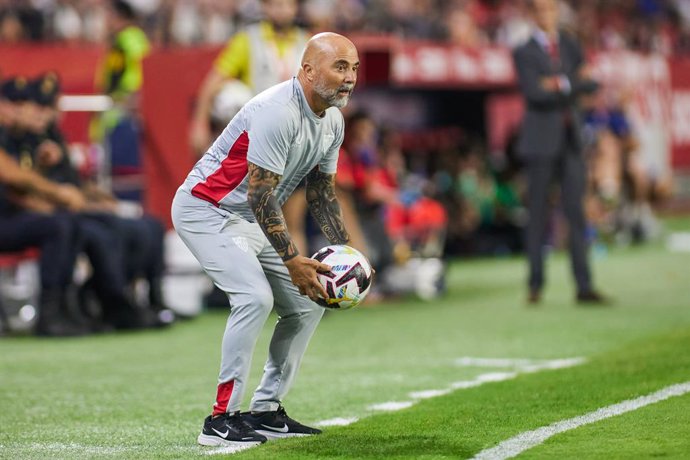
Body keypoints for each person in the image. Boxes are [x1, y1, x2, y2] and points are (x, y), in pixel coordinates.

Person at [172, 32, 359, 447]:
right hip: (208, 210)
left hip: (250, 216)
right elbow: (259, 195)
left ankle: (266, 410)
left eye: (354, 68)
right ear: (308, 71)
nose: (350, 78)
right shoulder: (278, 111)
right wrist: (293, 260)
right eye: (340, 67)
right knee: (254, 297)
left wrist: (348, 258)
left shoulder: (333, 120)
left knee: (309, 304)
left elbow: (321, 193)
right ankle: (220, 420)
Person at [513, 0, 606, 305]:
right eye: (541, 9)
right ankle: (535, 285)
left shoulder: (570, 44)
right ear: (533, 14)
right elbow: (535, 92)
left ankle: (584, 286)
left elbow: (591, 82)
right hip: (540, 143)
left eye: (551, 9)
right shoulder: (524, 51)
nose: (548, 15)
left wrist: (559, 83)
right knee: (538, 215)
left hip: (571, 141)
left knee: (576, 214)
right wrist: (572, 82)